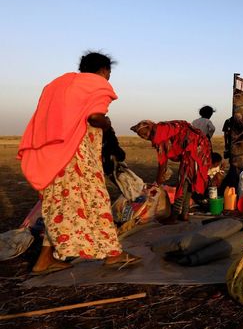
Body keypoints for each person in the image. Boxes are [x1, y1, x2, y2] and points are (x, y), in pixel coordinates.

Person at [17, 51, 141, 275]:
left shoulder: (59, 85)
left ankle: (44, 260)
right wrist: (105, 123)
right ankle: (113, 255)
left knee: (58, 207)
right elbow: (94, 117)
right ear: (104, 70)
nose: (108, 78)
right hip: (78, 156)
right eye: (109, 73)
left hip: (55, 158)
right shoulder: (96, 84)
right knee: (96, 202)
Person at [130, 120, 211, 222]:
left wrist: (158, 181)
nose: (145, 137)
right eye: (142, 136)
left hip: (194, 149)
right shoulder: (163, 129)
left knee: (183, 181)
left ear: (150, 127)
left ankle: (174, 216)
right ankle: (184, 214)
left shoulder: (159, 133)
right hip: (199, 148)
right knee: (189, 182)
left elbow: (162, 162)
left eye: (145, 133)